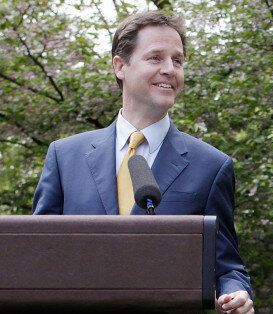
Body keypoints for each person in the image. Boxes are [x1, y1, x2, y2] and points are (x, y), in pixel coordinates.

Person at [32, 11, 254, 313]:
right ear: (120, 66)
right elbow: (35, 257)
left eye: (177, 60)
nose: (169, 69)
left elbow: (227, 267)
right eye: (155, 58)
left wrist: (236, 293)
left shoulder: (212, 166)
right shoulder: (64, 156)